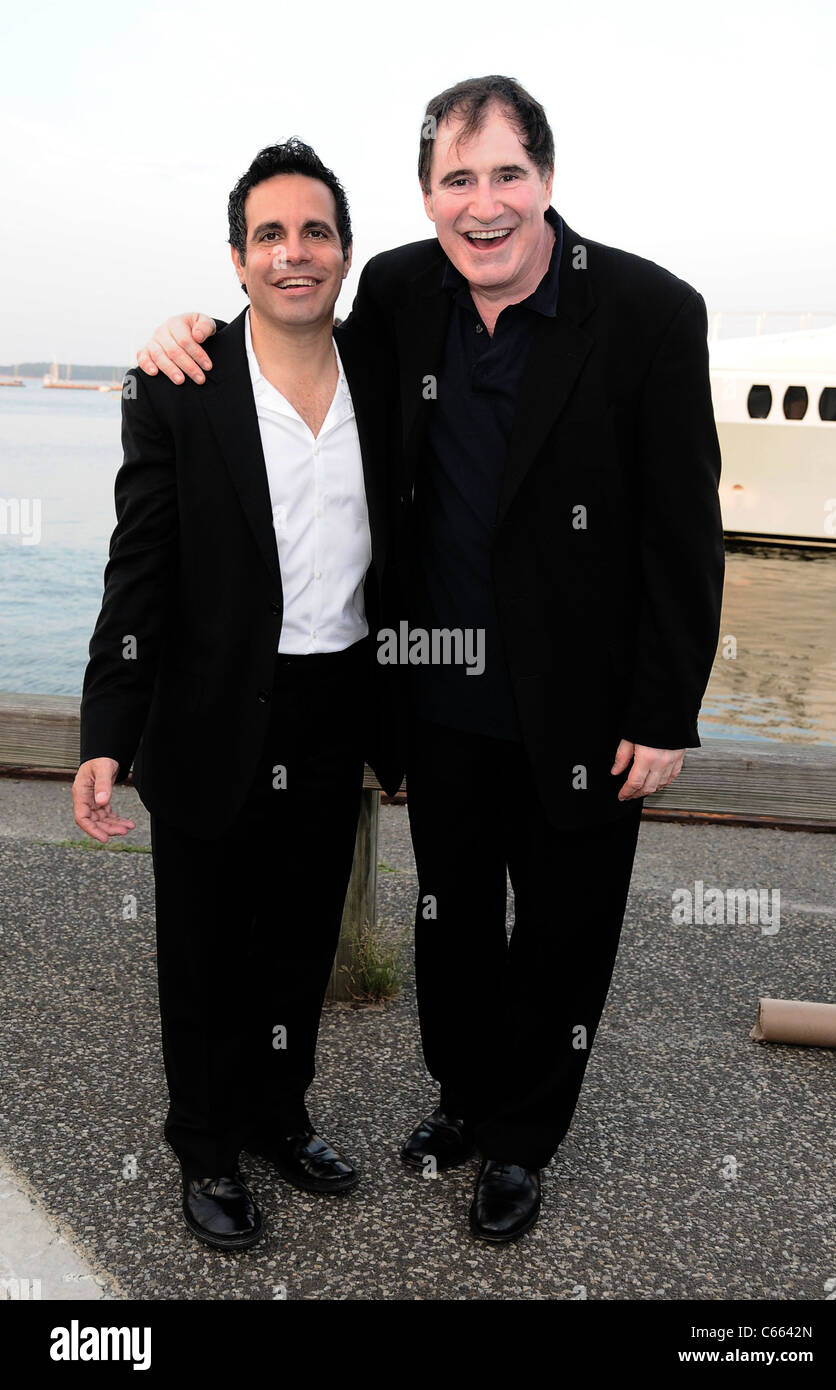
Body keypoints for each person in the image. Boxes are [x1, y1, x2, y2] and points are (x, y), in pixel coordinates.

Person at [137, 75, 725, 1243]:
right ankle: (462, 1102)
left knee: (561, 935)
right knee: (452, 922)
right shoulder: (406, 289)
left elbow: (682, 530)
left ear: (545, 180)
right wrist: (186, 331)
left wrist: (665, 712)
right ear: (426, 197)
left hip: (586, 711)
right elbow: (288, 345)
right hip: (437, 694)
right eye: (457, 180)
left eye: (505, 173)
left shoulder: (651, 314)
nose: (483, 204)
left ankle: (520, 1143)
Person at [74, 138, 401, 1251]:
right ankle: (203, 1144)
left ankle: (277, 1112)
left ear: (344, 253)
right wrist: (106, 728)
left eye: (315, 231)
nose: (294, 253)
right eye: (271, 234)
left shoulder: (390, 376)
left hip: (333, 705)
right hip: (212, 707)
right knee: (205, 946)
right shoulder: (182, 385)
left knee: (299, 939)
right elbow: (141, 565)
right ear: (238, 255)